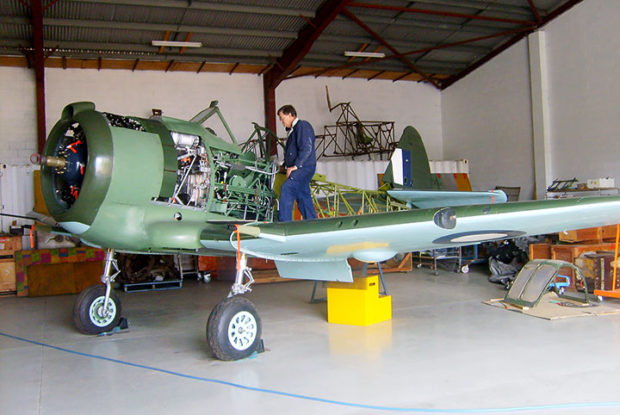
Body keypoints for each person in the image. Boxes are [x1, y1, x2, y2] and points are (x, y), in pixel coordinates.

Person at [277, 104, 317, 222]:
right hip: (301, 168)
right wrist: (284, 166)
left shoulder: (303, 126)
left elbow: (307, 148)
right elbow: (293, 152)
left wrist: (295, 166)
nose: (281, 121)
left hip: (303, 168)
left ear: (290, 115)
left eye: (282, 118)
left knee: (287, 189)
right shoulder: (294, 130)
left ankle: (285, 224)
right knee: (303, 196)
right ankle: (312, 223)